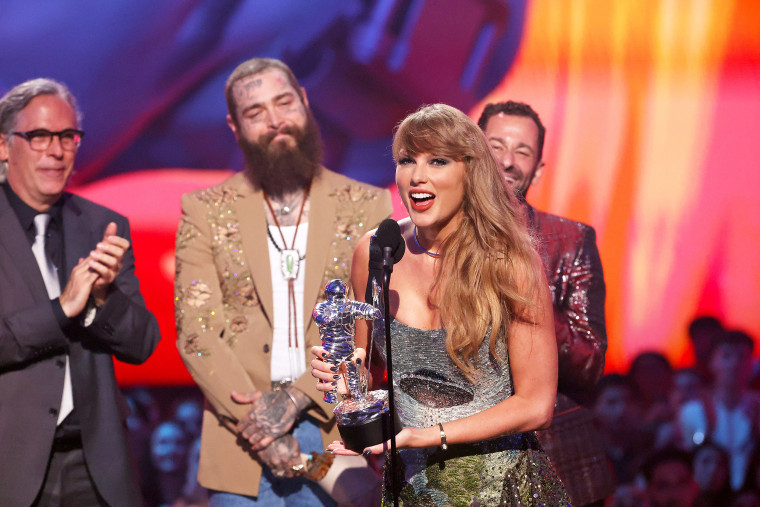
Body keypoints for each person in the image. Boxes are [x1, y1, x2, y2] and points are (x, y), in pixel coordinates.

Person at [312, 103, 569, 505]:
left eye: (437, 161)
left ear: (470, 172)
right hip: (416, 489)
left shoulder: (510, 264)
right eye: (406, 160)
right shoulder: (376, 251)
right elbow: (364, 368)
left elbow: (536, 405)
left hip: (505, 490)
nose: (417, 176)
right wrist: (345, 382)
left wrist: (427, 436)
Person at [174, 57, 392, 505]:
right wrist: (257, 425)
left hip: (335, 425)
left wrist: (294, 400)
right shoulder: (205, 209)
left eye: (284, 102)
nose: (276, 121)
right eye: (255, 113)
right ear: (234, 127)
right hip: (241, 435)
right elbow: (196, 330)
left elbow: (370, 328)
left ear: (305, 102)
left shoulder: (367, 205)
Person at [0, 78, 161, 506]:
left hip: (97, 466)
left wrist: (104, 300)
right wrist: (62, 310)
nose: (56, 150)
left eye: (68, 137)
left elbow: (143, 343)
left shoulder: (102, 224)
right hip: (10, 467)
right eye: (38, 136)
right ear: (3, 146)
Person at [478, 100, 613, 504]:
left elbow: (590, 364)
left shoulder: (570, 241)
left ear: (537, 168)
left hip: (549, 459)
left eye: (522, 151)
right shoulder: (435, 238)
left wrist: (523, 291)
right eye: (496, 146)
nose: (507, 161)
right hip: (457, 456)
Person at [678, 329, 760, 490]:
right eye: (726, 356)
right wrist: (707, 428)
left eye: (742, 357)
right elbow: (692, 447)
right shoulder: (693, 410)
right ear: (712, 362)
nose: (734, 364)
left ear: (752, 363)